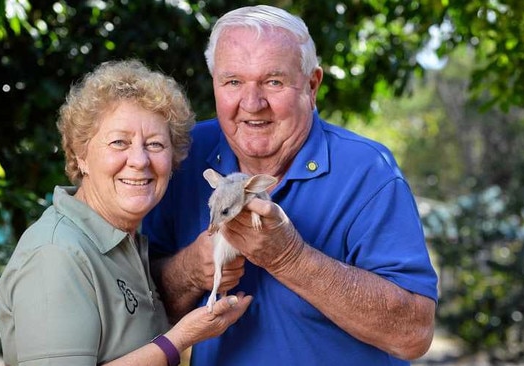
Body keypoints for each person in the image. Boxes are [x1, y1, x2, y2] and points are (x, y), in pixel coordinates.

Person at [142, 5, 438, 365]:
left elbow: (413, 334)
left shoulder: (368, 172)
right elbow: (138, 305)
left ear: (312, 85)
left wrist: (289, 258)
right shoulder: (182, 155)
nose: (252, 104)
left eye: (273, 82)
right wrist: (189, 270)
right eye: (233, 81)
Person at [0, 59, 252, 366]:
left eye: (155, 144)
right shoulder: (56, 254)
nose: (139, 160)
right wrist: (180, 339)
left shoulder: (125, 244)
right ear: (82, 155)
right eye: (119, 142)